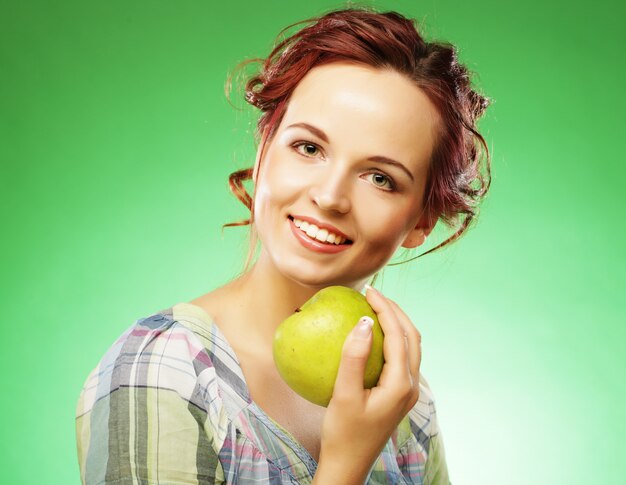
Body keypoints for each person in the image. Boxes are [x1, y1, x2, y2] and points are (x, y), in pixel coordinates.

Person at [75, 6, 490, 484]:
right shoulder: (164, 370)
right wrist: (343, 466)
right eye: (309, 148)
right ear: (264, 147)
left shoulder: (404, 404)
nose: (330, 197)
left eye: (380, 178)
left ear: (421, 221)